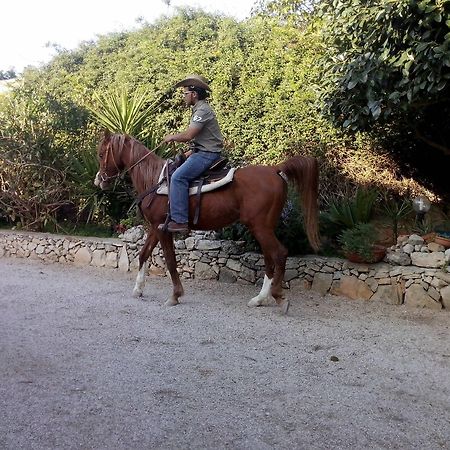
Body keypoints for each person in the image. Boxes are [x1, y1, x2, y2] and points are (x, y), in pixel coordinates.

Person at [159, 74, 224, 233]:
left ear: (194, 94)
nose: (183, 96)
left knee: (178, 177)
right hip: (201, 151)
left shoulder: (202, 110)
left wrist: (172, 136)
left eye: (185, 93)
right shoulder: (199, 109)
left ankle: (180, 221)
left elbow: (189, 135)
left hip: (207, 154)